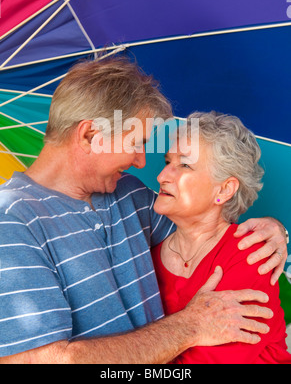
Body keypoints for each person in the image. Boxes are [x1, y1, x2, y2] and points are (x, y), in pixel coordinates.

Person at [0, 57, 287, 364]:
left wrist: (274, 229)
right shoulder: (13, 222)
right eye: (136, 143)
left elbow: (204, 223)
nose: (141, 162)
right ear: (90, 136)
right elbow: (43, 361)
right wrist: (190, 326)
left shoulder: (129, 194)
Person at [152, 111, 291, 364]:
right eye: (167, 162)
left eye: (185, 165)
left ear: (224, 190)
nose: (162, 176)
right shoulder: (146, 253)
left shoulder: (251, 255)